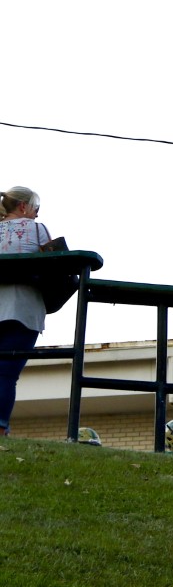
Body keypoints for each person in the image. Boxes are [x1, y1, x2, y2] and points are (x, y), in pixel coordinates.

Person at [0, 186, 51, 437]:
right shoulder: (37, 230)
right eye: (36, 209)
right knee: (6, 374)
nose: (37, 216)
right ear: (23, 207)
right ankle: (0, 428)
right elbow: (57, 265)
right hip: (23, 311)